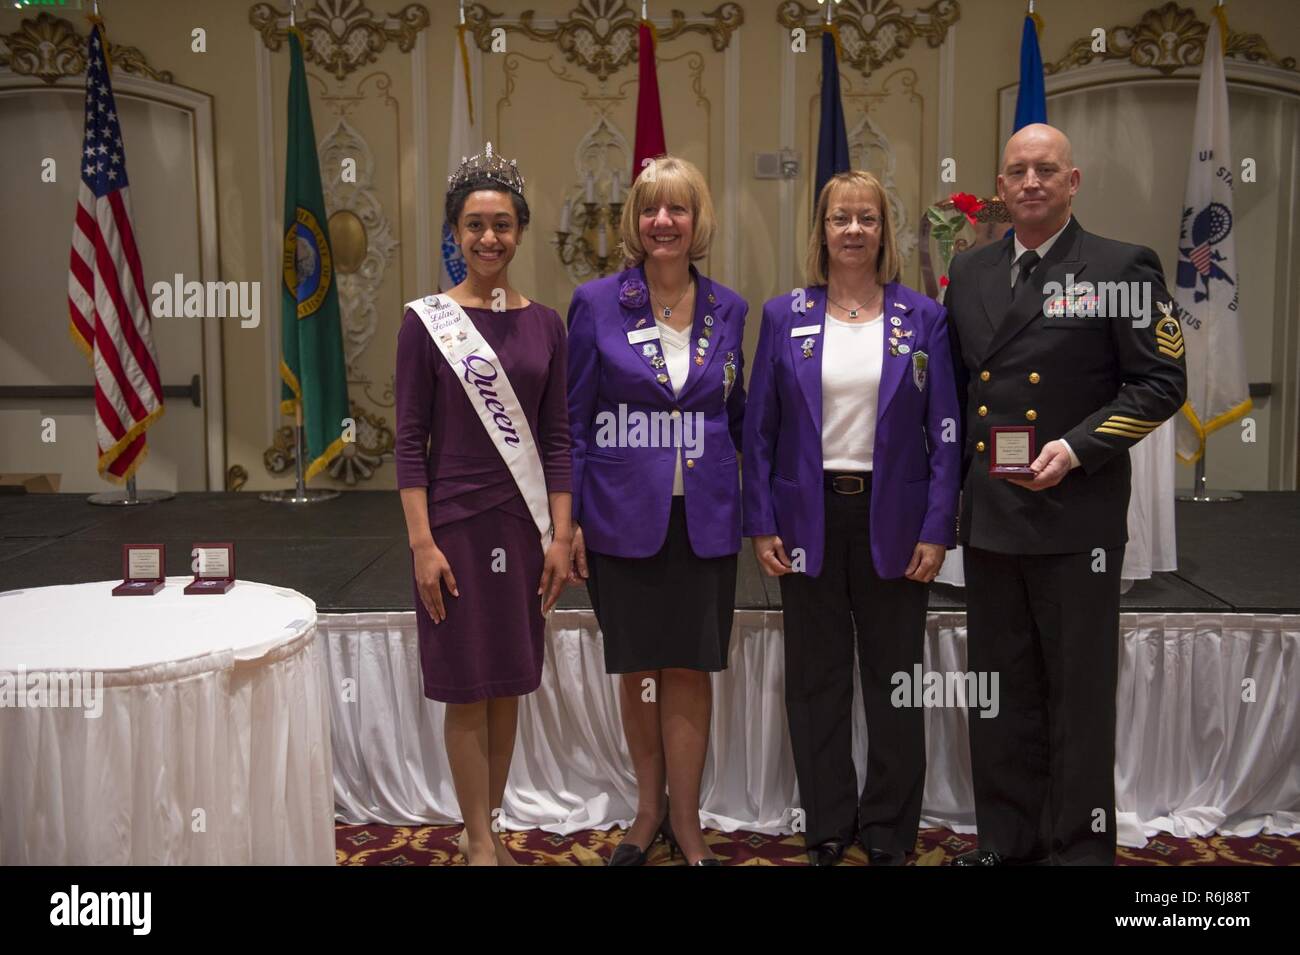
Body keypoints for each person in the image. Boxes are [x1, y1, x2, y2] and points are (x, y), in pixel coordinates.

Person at [944, 123, 1187, 865]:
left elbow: (1161, 383)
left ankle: (1078, 849)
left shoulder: (1119, 266)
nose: (1031, 183)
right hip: (993, 518)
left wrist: (1078, 446)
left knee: (1076, 698)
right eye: (1017, 171)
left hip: (1073, 519)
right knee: (1000, 693)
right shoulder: (974, 270)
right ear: (1000, 185)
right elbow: (959, 393)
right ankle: (1005, 843)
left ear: (1073, 181)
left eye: (1046, 170)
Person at [743, 170, 961, 866]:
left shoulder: (923, 316)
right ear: (823, 230)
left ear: (883, 230)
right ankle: (830, 822)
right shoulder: (784, 315)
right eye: (842, 218)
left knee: (895, 677)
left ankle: (892, 828)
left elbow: (947, 428)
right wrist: (762, 522)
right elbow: (759, 431)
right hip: (806, 519)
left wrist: (937, 528)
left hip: (894, 519)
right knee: (817, 678)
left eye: (868, 218)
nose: (855, 230)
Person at [566, 155, 747, 866]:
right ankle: (645, 813)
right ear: (634, 222)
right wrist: (569, 521)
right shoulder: (596, 302)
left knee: (690, 667)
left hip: (704, 518)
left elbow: (739, 415)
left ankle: (688, 818)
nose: (663, 222)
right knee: (640, 666)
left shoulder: (730, 307)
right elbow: (575, 421)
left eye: (677, 209)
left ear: (698, 220)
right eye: (650, 209)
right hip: (620, 518)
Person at [394, 144, 571, 866]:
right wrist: (421, 544)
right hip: (455, 529)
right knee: (466, 686)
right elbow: (408, 442)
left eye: (501, 224)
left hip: (525, 530)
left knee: (508, 683)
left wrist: (561, 536)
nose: (489, 237)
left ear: (520, 231)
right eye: (475, 225)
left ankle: (489, 823)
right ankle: (475, 835)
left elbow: (557, 438)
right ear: (455, 233)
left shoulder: (548, 325)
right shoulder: (426, 322)